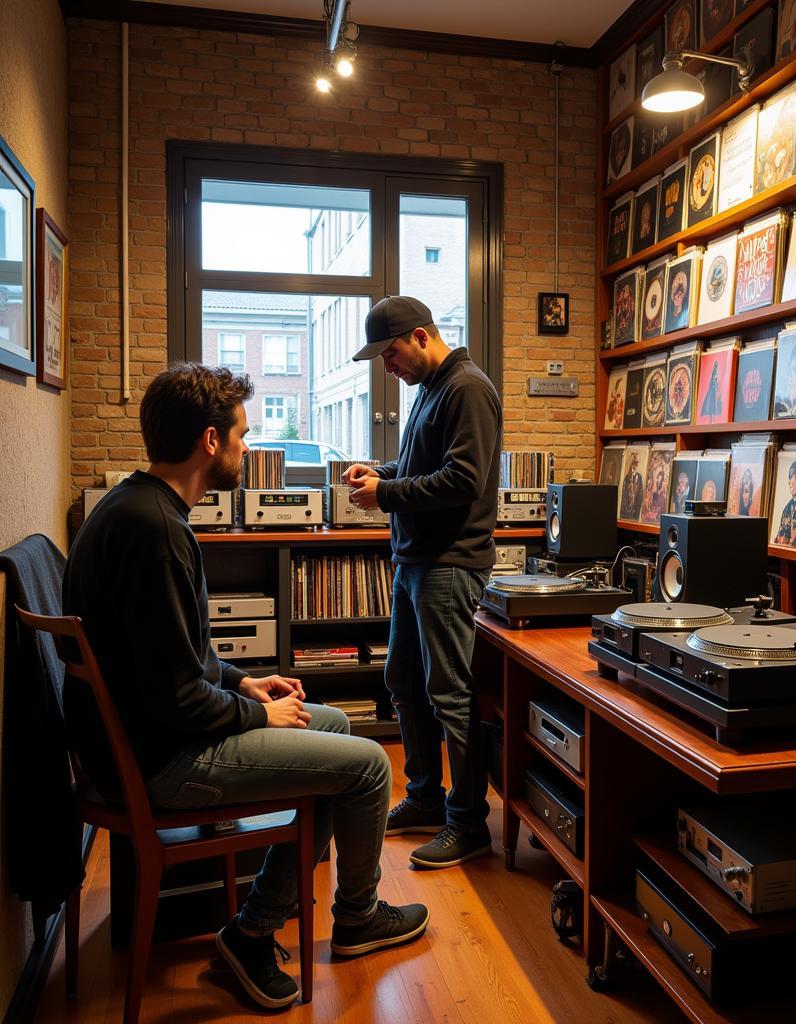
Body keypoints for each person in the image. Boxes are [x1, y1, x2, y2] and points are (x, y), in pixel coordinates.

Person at [62, 364, 428, 1011]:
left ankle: (255, 925)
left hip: (148, 741)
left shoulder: (136, 508)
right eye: (241, 435)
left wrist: (244, 682)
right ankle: (343, 919)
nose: (246, 448)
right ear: (209, 440)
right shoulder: (157, 534)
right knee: (370, 765)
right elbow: (177, 698)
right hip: (163, 763)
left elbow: (176, 657)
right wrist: (255, 717)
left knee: (335, 726)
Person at [344, 296, 502, 870]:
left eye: (389, 355)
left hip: (449, 565)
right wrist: (381, 470)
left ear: (418, 336)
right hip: (415, 561)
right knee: (404, 682)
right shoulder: (432, 389)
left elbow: (462, 480)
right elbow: (422, 466)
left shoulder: (467, 388)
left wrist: (384, 495)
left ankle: (468, 825)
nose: (387, 368)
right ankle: (424, 799)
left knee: (451, 695)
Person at [774, 459, 796, 546]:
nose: (791, 486)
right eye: (790, 483)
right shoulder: (787, 507)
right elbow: (781, 528)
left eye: (793, 483)